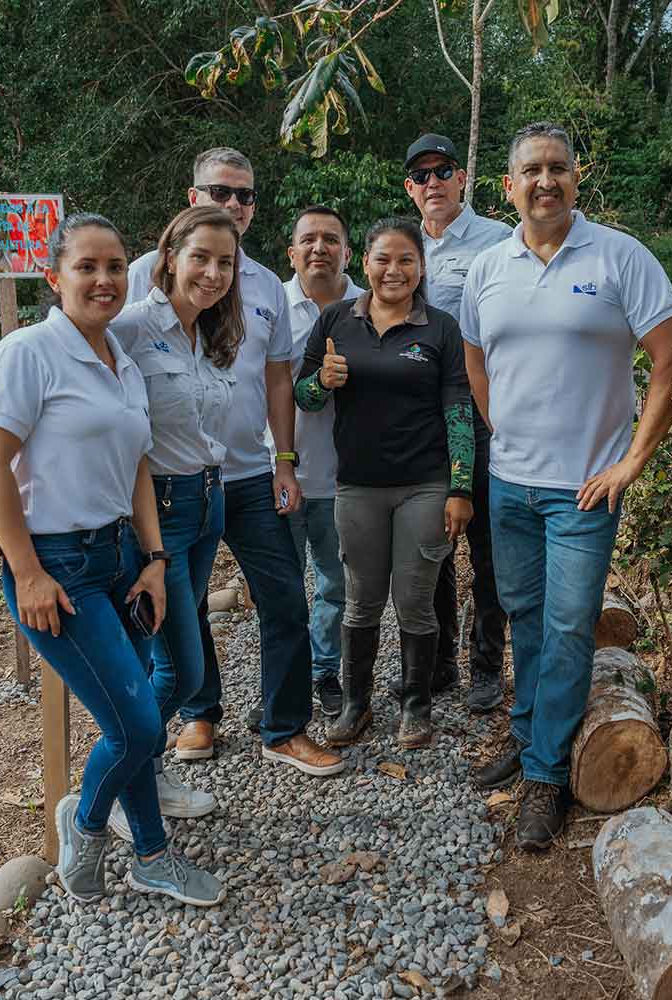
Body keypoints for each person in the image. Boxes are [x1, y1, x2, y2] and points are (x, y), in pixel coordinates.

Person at [0, 212, 224, 906]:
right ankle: (84, 822)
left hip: (121, 554)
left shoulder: (121, 358)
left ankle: (149, 855)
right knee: (138, 724)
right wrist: (27, 572)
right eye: (87, 266)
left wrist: (152, 557)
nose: (104, 280)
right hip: (59, 565)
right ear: (54, 277)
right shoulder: (28, 353)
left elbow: (138, 463)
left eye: (115, 266)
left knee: (136, 708)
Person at [461, 122, 672, 849]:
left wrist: (630, 464)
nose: (545, 181)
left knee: (565, 627)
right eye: (531, 170)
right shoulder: (488, 268)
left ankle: (546, 777)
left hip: (584, 490)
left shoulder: (621, 256)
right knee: (523, 615)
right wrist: (506, 438)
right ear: (509, 185)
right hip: (510, 485)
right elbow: (475, 364)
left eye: (558, 168)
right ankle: (530, 736)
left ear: (577, 177)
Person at [127, 148, 343, 777]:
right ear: (192, 198)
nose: (233, 204)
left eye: (245, 196)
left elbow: (279, 379)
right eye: (220, 192)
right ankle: (199, 712)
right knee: (183, 603)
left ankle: (284, 726)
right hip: (170, 480)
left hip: (248, 472)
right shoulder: (146, 279)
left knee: (284, 599)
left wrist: (284, 461)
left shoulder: (267, 286)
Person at [295, 217, 474, 749]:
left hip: (424, 484)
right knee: (360, 599)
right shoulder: (335, 320)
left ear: (421, 268)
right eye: (383, 259)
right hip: (357, 487)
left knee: (415, 600)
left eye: (406, 261)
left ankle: (416, 708)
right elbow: (304, 396)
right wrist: (320, 381)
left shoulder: (440, 327)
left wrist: (460, 487)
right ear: (364, 264)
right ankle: (356, 705)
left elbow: (458, 406)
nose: (393, 270)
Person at [107, 205, 243, 842]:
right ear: (169, 259)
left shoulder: (207, 333)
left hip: (206, 501)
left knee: (170, 659)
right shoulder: (131, 328)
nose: (213, 273)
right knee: (178, 669)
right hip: (155, 512)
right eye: (201, 258)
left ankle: (145, 769)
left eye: (225, 262)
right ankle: (107, 777)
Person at [396, 133, 512, 714]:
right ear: (410, 188)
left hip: (484, 410)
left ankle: (487, 667)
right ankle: (438, 663)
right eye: (421, 176)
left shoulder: (498, 239)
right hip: (423, 419)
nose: (433, 183)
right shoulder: (403, 247)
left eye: (443, 171)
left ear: (462, 178)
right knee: (431, 540)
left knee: (489, 546)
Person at [281, 205, 364, 717]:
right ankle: (284, 680)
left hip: (347, 474)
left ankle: (323, 671)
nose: (319, 248)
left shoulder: (370, 303)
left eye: (330, 239)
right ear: (291, 254)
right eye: (308, 240)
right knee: (283, 587)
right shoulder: (269, 305)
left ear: (347, 252)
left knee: (335, 584)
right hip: (283, 470)